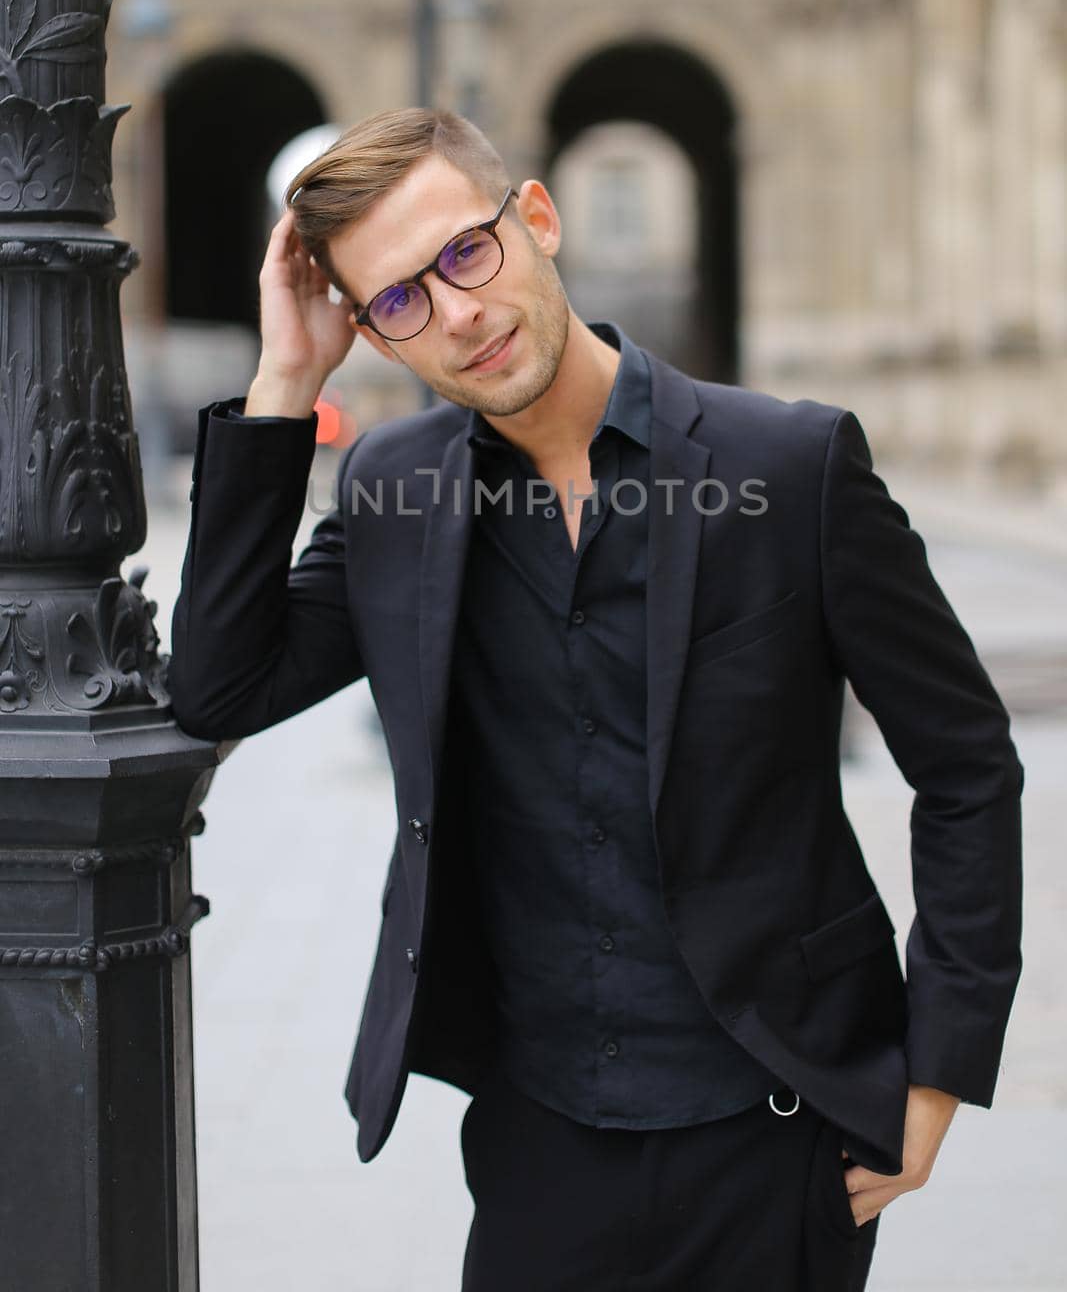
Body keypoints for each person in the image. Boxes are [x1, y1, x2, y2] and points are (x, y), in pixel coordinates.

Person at [168, 106, 1024, 1292]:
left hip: (775, 1125)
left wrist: (936, 1069)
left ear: (535, 217)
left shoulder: (788, 465)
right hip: (538, 1137)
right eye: (399, 302)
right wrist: (282, 378)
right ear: (372, 333)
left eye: (463, 253)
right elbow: (218, 684)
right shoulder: (393, 493)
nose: (455, 313)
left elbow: (966, 764)